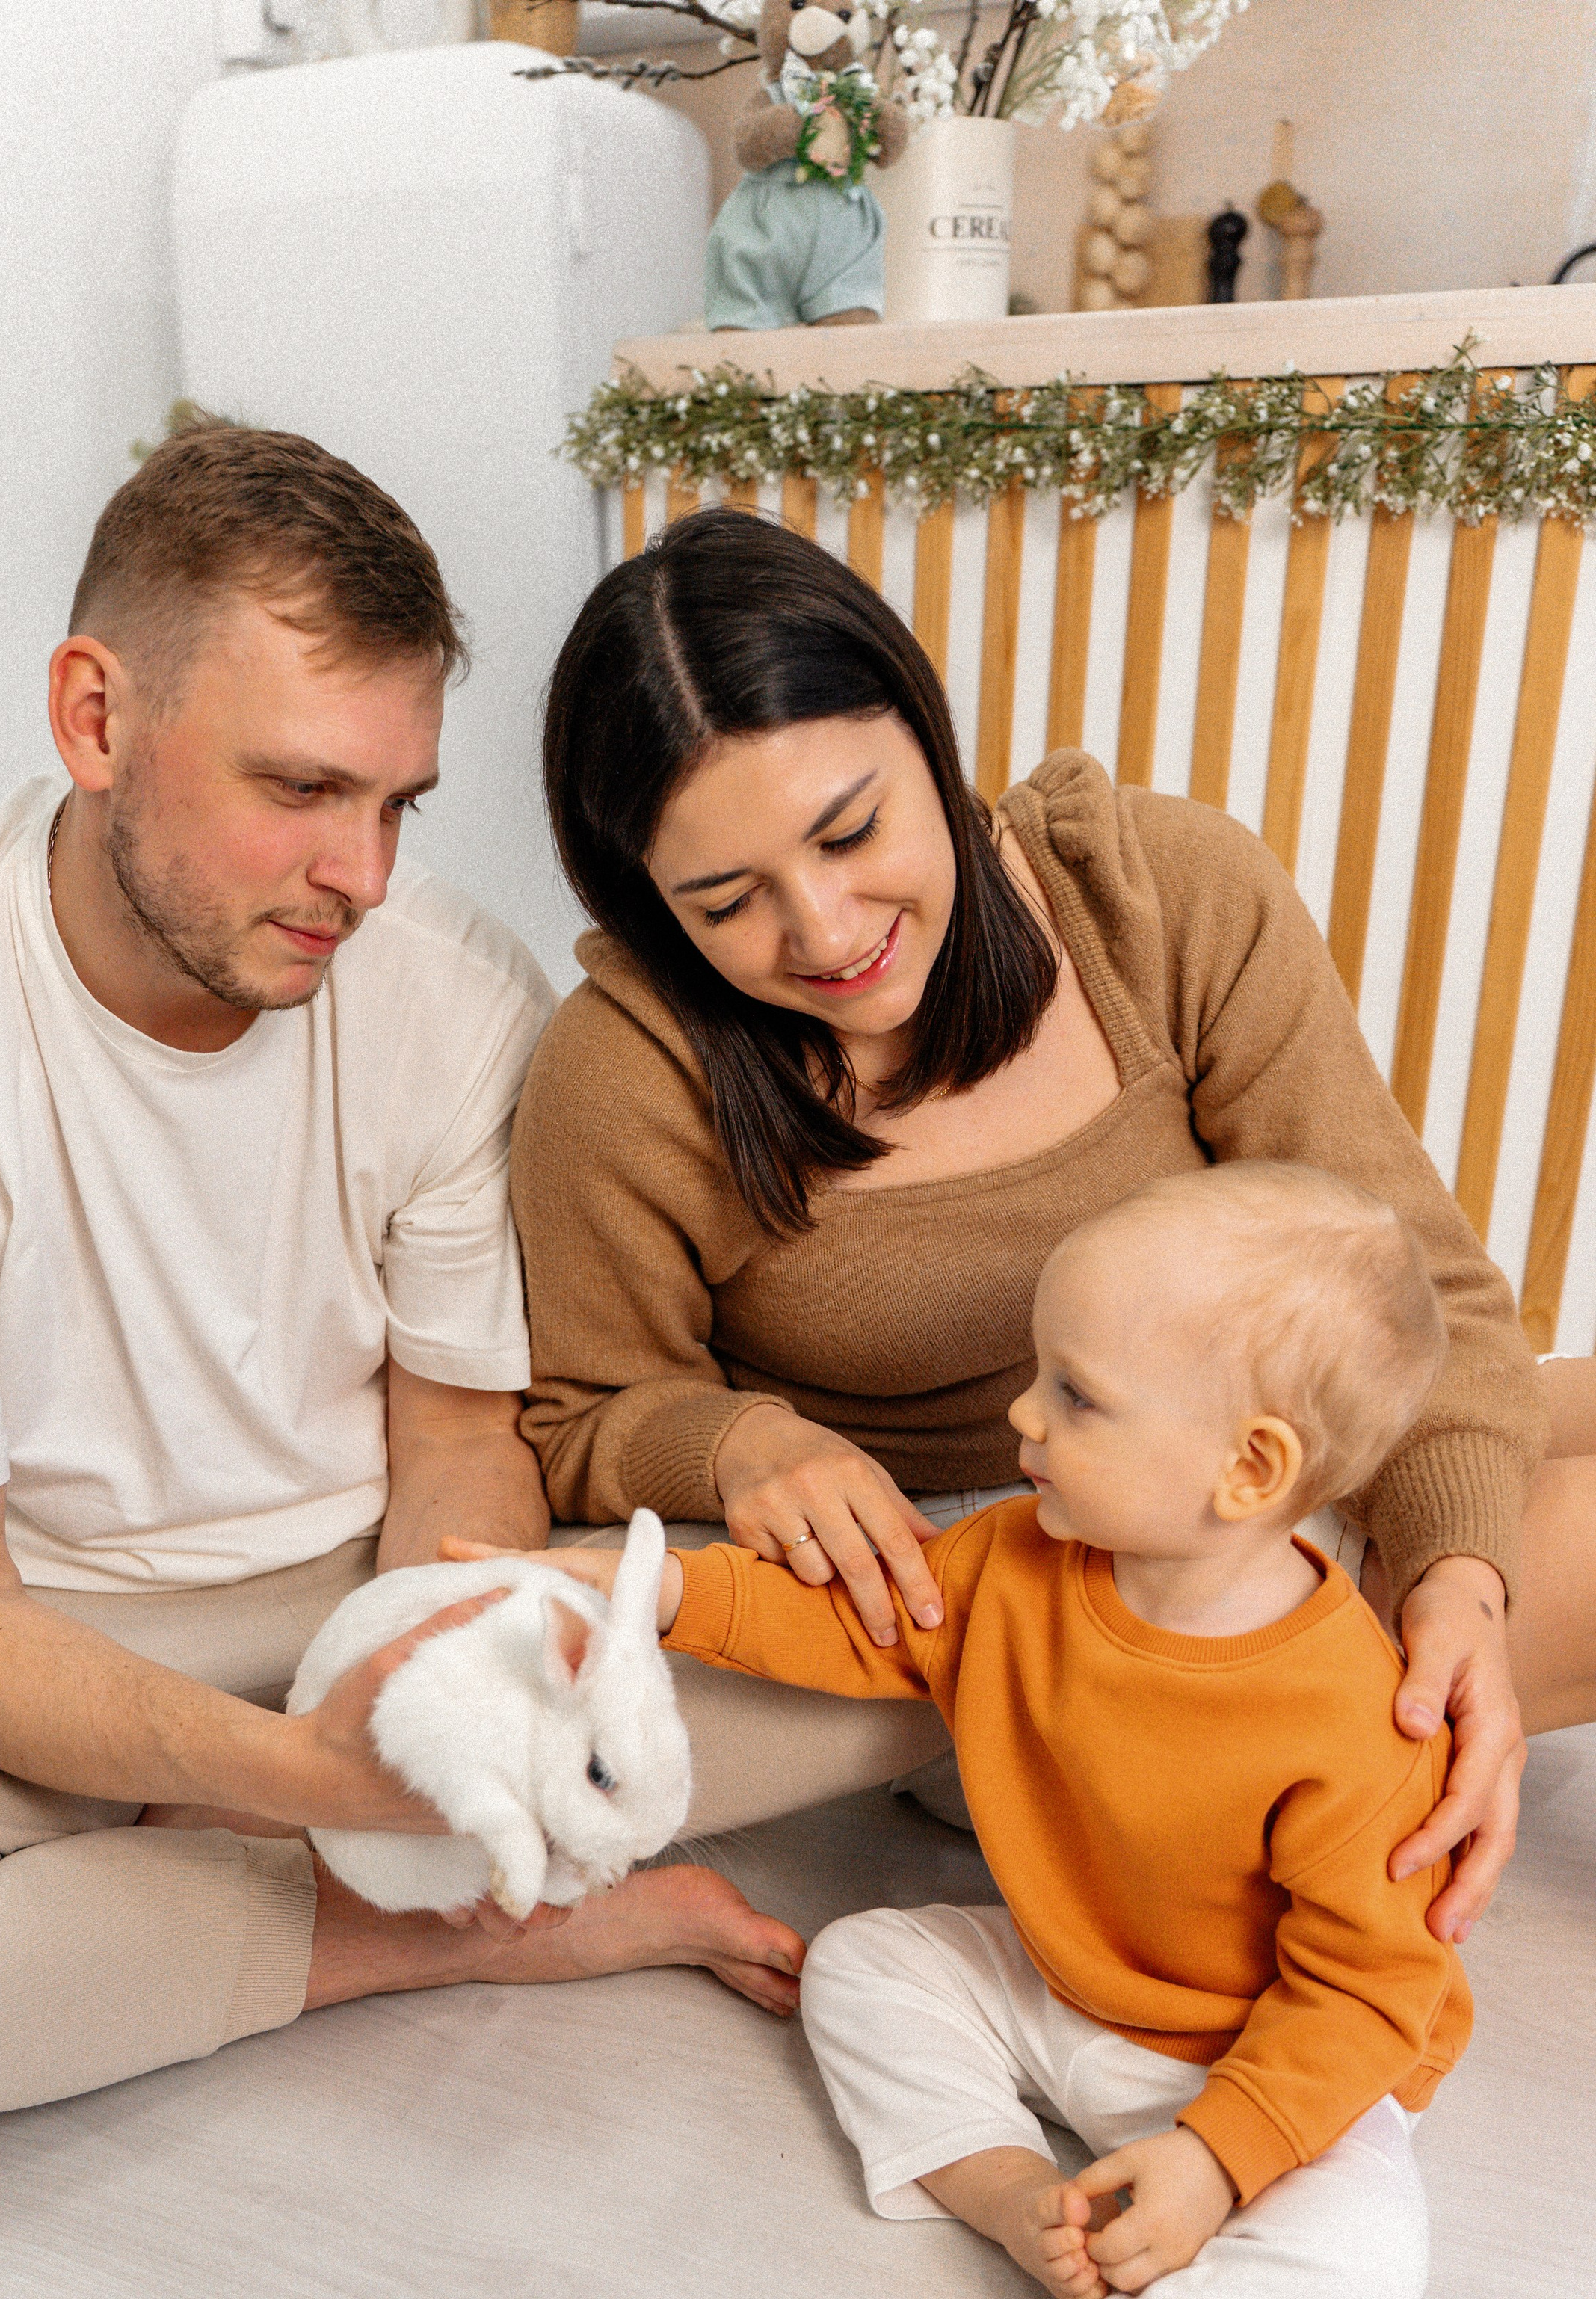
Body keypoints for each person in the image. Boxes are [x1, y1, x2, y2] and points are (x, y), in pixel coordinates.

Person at [0, 424, 802, 2143]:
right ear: (94, 719)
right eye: (297, 791)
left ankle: (287, 1886)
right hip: (56, 1641)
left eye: (394, 803)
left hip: (365, 1581)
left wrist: (444, 1675)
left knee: (912, 1656)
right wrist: (308, 1786)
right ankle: (435, 1935)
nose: (358, 875)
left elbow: (453, 1447)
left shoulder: (453, 997)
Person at [512, 508, 1596, 1948]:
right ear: (646, 902)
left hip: (1252, 1464)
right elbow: (583, 1413)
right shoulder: (626, 1075)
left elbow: (1419, 1283)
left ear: (929, 731)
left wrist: (1463, 1583)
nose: (828, 932)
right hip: (1026, 1607)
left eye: (854, 831)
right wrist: (742, 1441)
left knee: (1505, 1444)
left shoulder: (1155, 896)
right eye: (728, 903)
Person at [463, 1163, 1470, 2299]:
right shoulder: (1026, 1556)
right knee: (871, 1959)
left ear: (1245, 1469)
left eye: (1076, 1395)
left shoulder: (1349, 1717)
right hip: (1059, 1976)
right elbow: (864, 1625)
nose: (1022, 1419)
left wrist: (1212, 2159)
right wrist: (643, 1595)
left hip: (1252, 2061)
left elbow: (1369, 1993)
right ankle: (1016, 2202)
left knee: (1370, 2261)